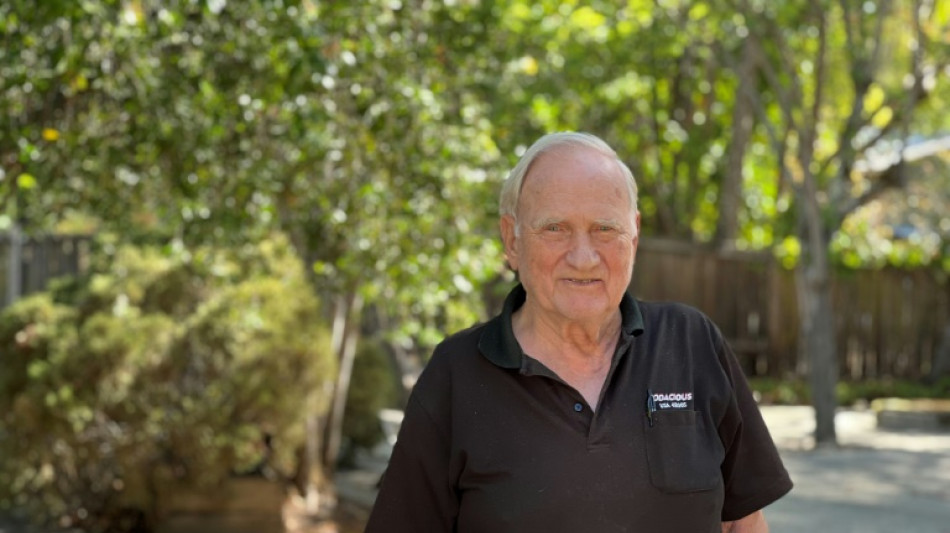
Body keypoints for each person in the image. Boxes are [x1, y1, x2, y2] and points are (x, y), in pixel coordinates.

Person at [365, 132, 792, 532]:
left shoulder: (691, 342)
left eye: (604, 229)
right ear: (511, 240)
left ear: (635, 235)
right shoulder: (456, 375)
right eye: (555, 229)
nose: (584, 258)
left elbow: (744, 523)